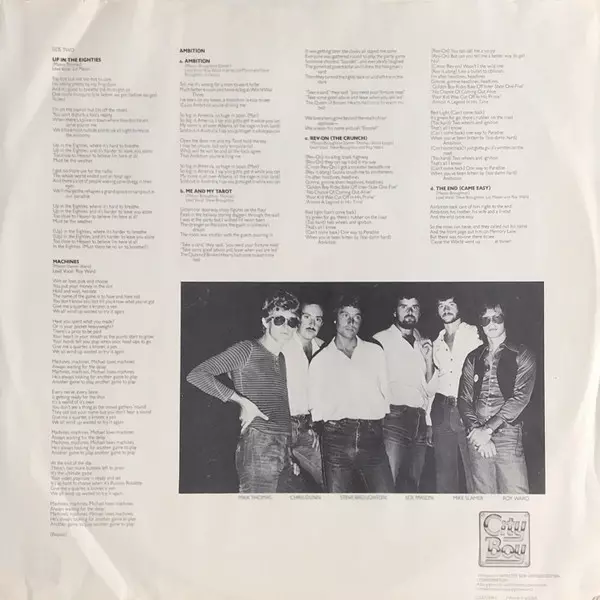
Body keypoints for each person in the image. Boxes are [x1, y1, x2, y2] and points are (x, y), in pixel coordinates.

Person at [186, 290, 300, 493]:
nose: (286, 327)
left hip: (283, 447)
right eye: (279, 320)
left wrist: (289, 452)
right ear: (265, 322)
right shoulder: (247, 349)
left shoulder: (281, 358)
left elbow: (281, 405)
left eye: (292, 322)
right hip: (259, 444)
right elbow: (197, 375)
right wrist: (242, 402)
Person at [308, 295, 393, 493]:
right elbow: (315, 404)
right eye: (345, 315)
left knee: (387, 499)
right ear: (335, 319)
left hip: (372, 437)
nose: (351, 321)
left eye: (356, 317)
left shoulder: (375, 352)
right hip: (336, 439)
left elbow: (386, 392)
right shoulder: (320, 359)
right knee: (338, 501)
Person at [457, 299, 537, 494]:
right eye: (485, 319)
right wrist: (477, 431)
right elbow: (464, 399)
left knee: (516, 496)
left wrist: (488, 430)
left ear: (505, 319)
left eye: (496, 318)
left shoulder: (522, 354)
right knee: (483, 495)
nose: (491, 323)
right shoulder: (473, 357)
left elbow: (520, 398)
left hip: (508, 434)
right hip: (477, 434)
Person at [374, 288, 435, 492]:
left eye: (414, 307)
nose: (410, 311)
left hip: (420, 421)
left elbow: (429, 387)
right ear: (395, 311)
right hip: (393, 419)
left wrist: (429, 359)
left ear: (419, 312)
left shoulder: (422, 342)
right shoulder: (380, 340)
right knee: (386, 484)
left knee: (412, 487)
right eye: (404, 307)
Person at [431, 290, 481, 493]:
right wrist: (428, 421)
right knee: (444, 475)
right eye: (441, 305)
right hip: (441, 410)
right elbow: (435, 382)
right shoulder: (436, 343)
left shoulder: (474, 332)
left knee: (475, 472)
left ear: (459, 307)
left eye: (451, 304)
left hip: (467, 409)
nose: (446, 309)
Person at [281, 300, 325, 489]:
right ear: (298, 318)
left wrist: (315, 425)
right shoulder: (282, 344)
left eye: (318, 319)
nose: (312, 323)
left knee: (328, 477)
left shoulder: (323, 350)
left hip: (307, 427)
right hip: (281, 425)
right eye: (307, 317)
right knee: (285, 482)